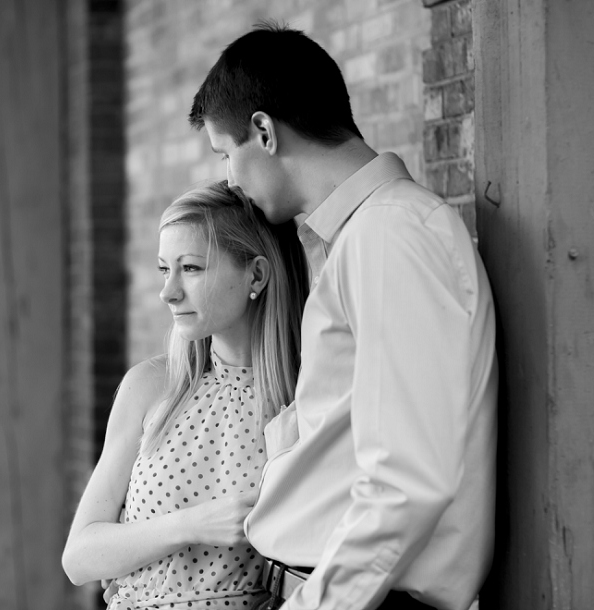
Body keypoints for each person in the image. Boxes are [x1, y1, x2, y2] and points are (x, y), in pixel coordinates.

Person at [188, 24, 498, 610]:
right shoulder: (366, 237)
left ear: (263, 131)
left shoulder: (390, 234)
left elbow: (405, 481)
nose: (229, 179)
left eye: (226, 153)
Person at [62, 180, 309, 609]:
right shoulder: (151, 386)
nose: (168, 291)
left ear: (256, 274)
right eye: (164, 269)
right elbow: (79, 557)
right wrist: (190, 525)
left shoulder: (307, 396)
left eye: (190, 268)